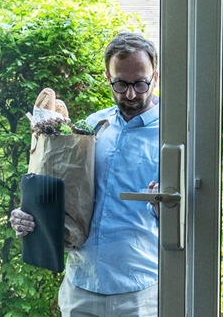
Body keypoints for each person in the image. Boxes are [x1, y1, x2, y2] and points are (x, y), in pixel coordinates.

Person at [10, 31, 160, 316]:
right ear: (107, 77)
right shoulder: (92, 126)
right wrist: (28, 213)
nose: (130, 94)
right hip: (81, 286)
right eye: (121, 83)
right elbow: (63, 193)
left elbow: (188, 216)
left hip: (140, 293)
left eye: (141, 83)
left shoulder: (172, 134)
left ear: (156, 76)